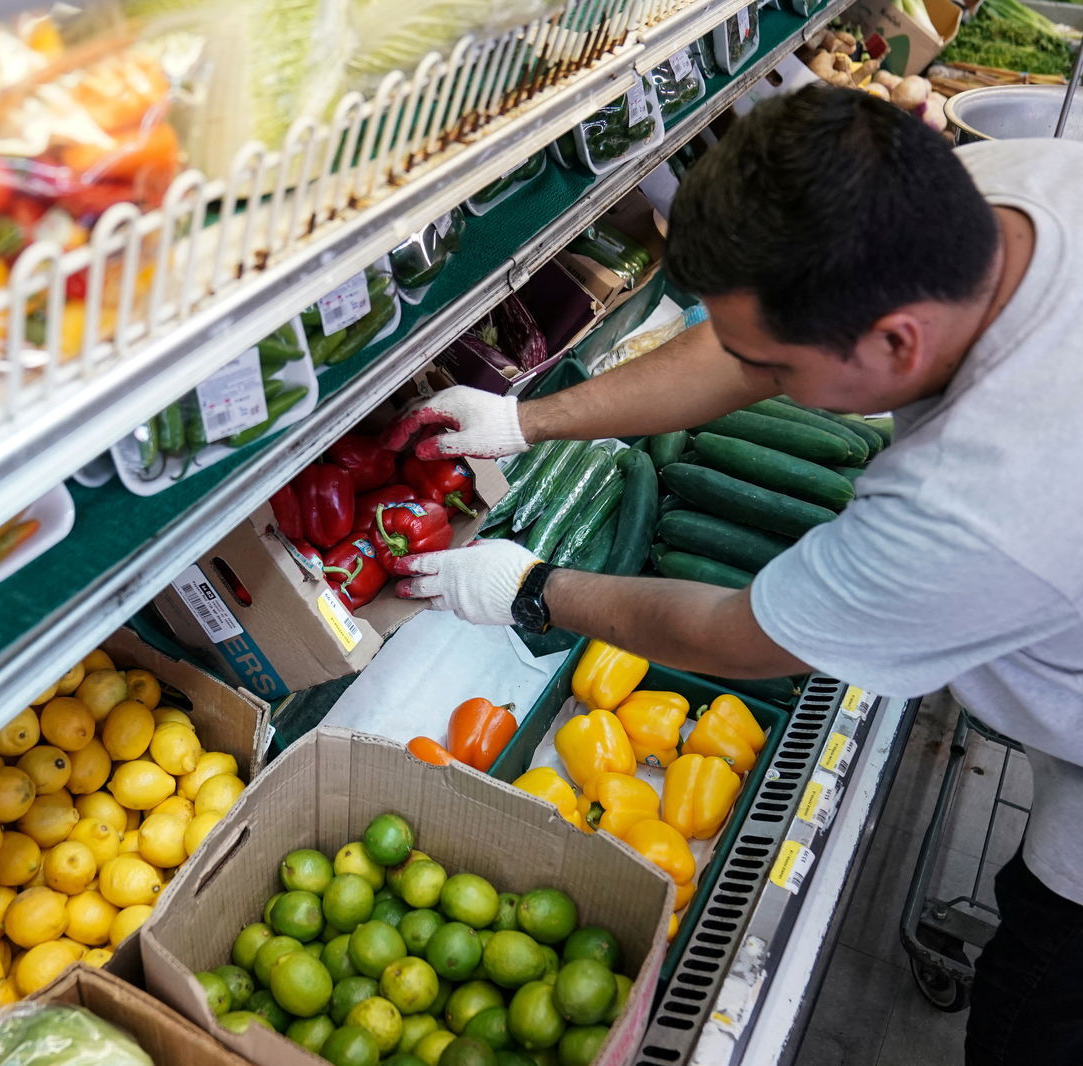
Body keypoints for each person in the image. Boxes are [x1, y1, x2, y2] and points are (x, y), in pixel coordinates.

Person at [383, 85, 1083, 1065]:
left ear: (894, 343)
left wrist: (532, 590)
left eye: (781, 370)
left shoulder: (987, 503)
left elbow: (746, 636)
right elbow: (744, 346)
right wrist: (526, 418)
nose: (764, 381)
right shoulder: (1010, 189)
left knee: (1044, 995)